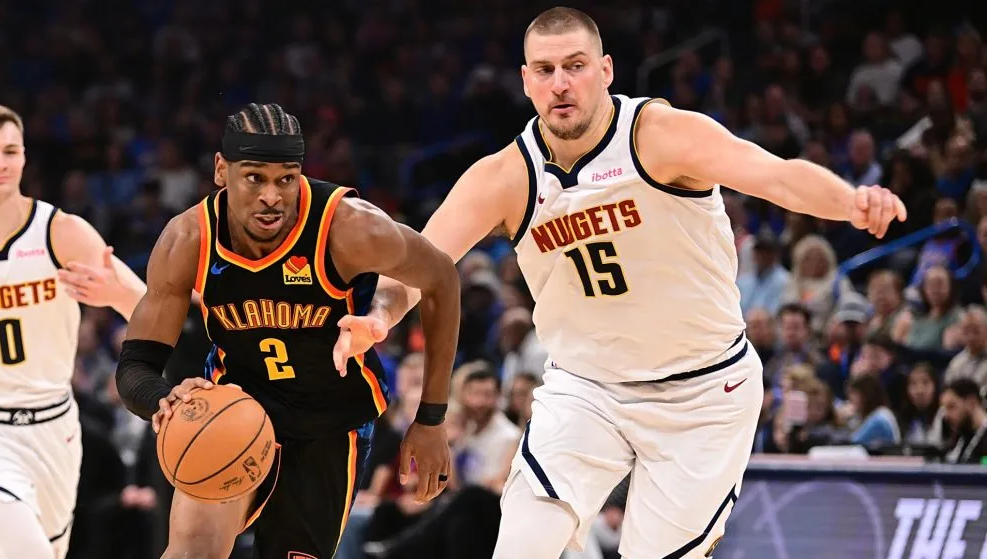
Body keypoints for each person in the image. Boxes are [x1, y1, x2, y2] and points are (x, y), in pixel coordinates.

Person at [335, 8, 906, 559]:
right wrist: (379, 316)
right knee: (520, 547)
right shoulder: (505, 177)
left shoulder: (660, 136)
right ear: (526, 82)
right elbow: (420, 265)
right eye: (545, 70)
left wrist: (850, 201)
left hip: (703, 391)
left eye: (575, 66)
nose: (561, 84)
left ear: (606, 70)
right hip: (587, 386)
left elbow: (775, 175)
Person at [114, 103, 460, 559]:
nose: (272, 196)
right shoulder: (189, 239)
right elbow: (136, 365)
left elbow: (442, 278)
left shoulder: (351, 227)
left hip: (329, 423)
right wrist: (165, 400)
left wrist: (431, 418)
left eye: (286, 179)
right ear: (221, 170)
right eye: (254, 178)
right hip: (235, 410)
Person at [0, 103, 147, 559]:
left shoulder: (61, 232)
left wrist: (115, 294)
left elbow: (150, 309)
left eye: (9, 150)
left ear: (25, 156)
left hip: (55, 426)